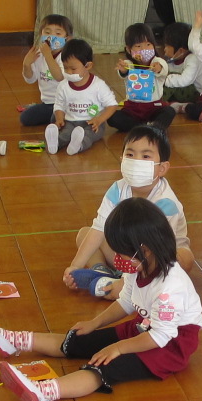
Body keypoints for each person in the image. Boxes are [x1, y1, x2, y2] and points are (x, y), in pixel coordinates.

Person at [0, 198, 202, 401]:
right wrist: (95, 323)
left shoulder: (170, 287)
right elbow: (126, 301)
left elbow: (160, 336)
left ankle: (44, 392)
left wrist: (118, 348)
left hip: (169, 346)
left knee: (104, 365)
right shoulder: (139, 266)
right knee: (83, 338)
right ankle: (15, 341)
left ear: (145, 249)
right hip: (143, 327)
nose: (117, 258)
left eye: (121, 253)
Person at [63, 124, 193, 299]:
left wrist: (129, 278)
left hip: (156, 258)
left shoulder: (166, 203)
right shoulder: (117, 188)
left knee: (184, 258)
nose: (136, 160)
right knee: (85, 233)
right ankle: (101, 272)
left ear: (162, 168)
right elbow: (99, 229)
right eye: (130, 154)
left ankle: (124, 284)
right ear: (122, 159)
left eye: (145, 156)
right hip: (126, 251)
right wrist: (74, 267)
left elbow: (156, 250)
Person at [46, 39, 119, 155]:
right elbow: (59, 105)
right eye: (65, 68)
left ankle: (78, 145)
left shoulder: (98, 85)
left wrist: (99, 120)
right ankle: (55, 143)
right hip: (70, 121)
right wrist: (59, 119)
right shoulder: (63, 86)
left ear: (88, 66)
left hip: (92, 123)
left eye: (73, 69)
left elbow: (112, 105)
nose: (69, 72)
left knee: (88, 135)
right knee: (65, 133)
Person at [107, 22, 182, 133]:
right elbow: (124, 72)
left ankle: (153, 127)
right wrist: (123, 70)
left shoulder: (157, 61)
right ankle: (145, 127)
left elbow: (163, 67)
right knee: (112, 117)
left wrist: (158, 68)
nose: (144, 49)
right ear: (129, 49)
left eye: (148, 44)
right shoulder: (129, 64)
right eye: (138, 46)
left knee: (169, 111)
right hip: (132, 110)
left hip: (154, 108)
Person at [20, 14, 71, 127]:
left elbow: (59, 77)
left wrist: (48, 55)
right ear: (41, 34)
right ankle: (58, 118)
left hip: (65, 103)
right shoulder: (39, 54)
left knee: (57, 116)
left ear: (67, 38)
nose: (51, 37)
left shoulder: (67, 56)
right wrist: (26, 65)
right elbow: (30, 79)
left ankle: (63, 117)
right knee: (25, 118)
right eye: (47, 32)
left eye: (58, 33)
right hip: (48, 103)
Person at [159, 21, 202, 106]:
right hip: (180, 91)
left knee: (170, 78)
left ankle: (156, 102)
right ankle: (175, 105)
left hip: (194, 92)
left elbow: (185, 80)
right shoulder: (172, 60)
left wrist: (164, 79)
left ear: (181, 51)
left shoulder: (192, 59)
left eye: (167, 46)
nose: (164, 49)